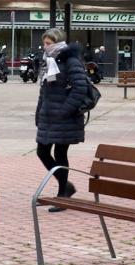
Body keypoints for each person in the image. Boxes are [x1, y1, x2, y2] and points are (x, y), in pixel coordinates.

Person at [35, 28, 88, 213]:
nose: (45, 47)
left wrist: (65, 110)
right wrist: (39, 111)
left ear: (57, 43)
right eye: (44, 43)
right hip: (48, 115)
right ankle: (66, 186)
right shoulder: (49, 61)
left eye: (48, 43)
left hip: (65, 117)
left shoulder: (70, 60)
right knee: (42, 151)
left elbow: (80, 88)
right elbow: (45, 89)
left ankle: (62, 194)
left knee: (60, 153)